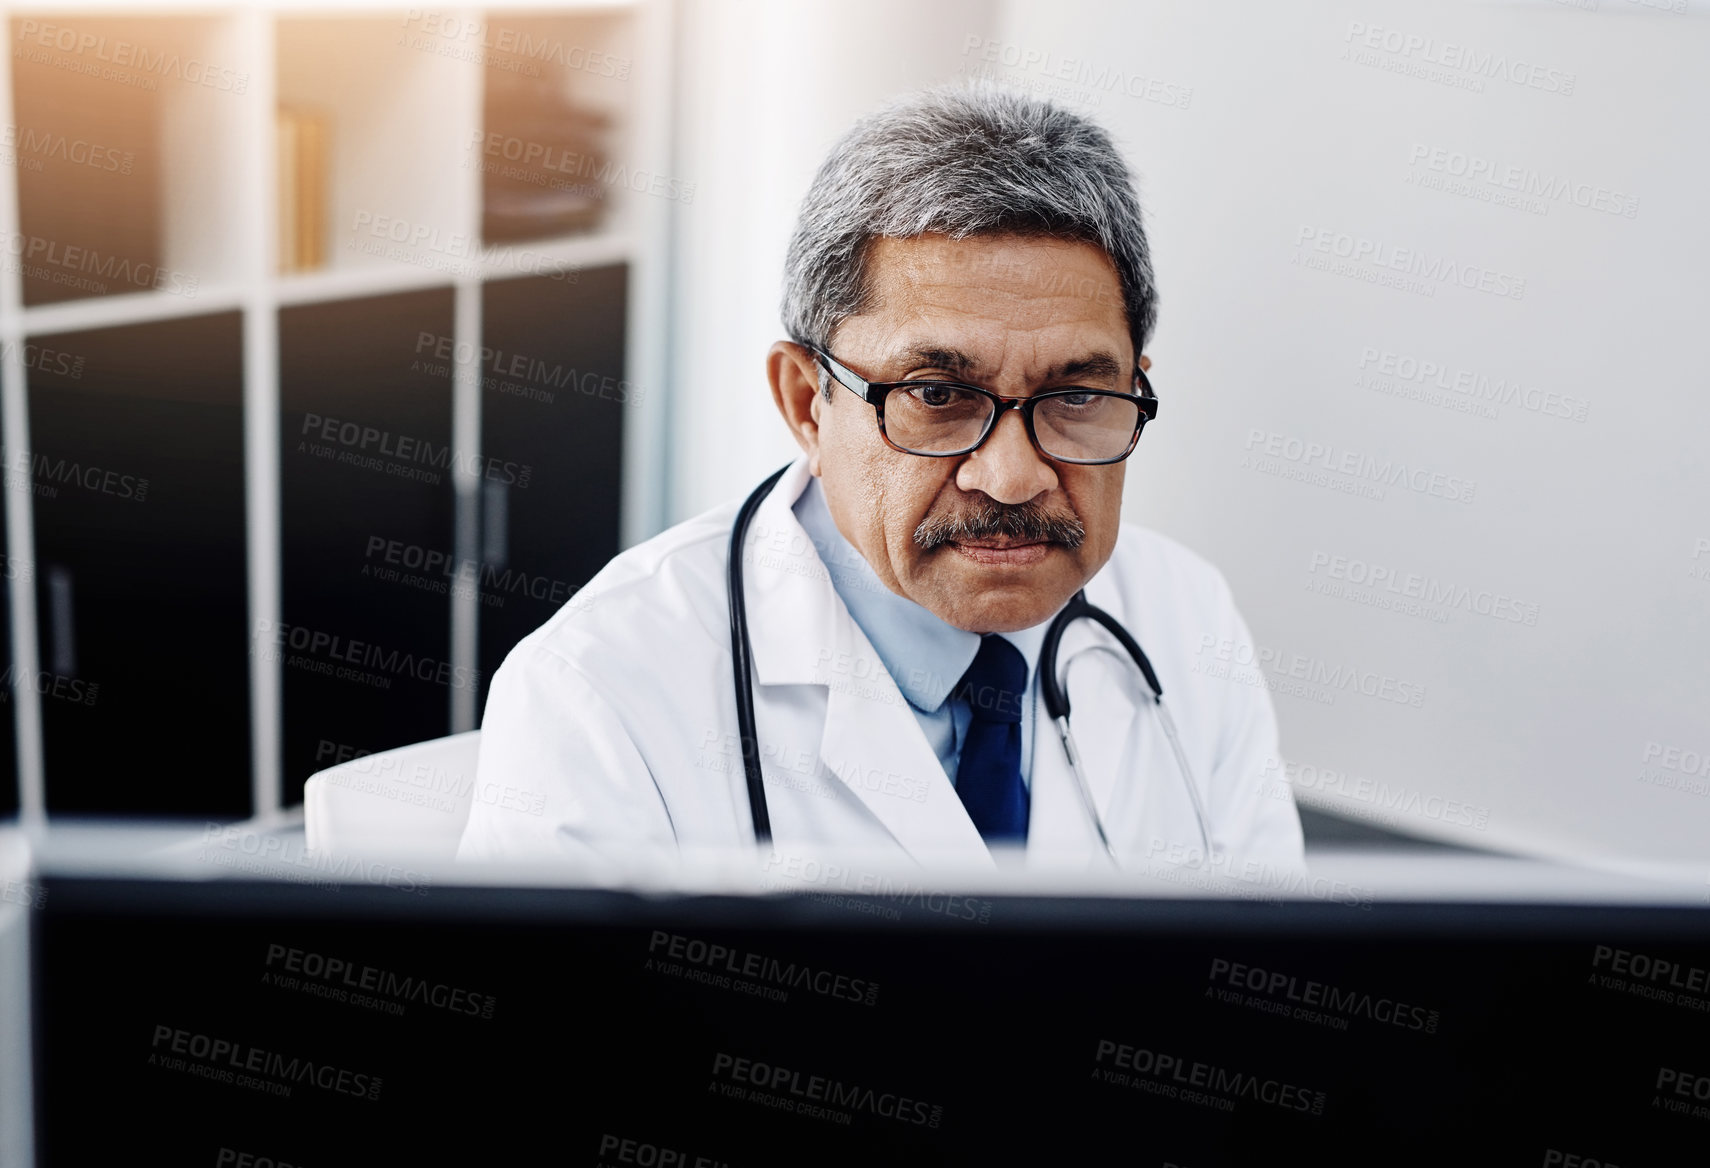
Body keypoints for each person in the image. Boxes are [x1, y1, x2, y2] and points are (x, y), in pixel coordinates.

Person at [457, 83, 1304, 878]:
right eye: (937, 396)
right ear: (807, 405)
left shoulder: (1187, 617)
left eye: (1076, 396)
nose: (1011, 479)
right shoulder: (598, 696)